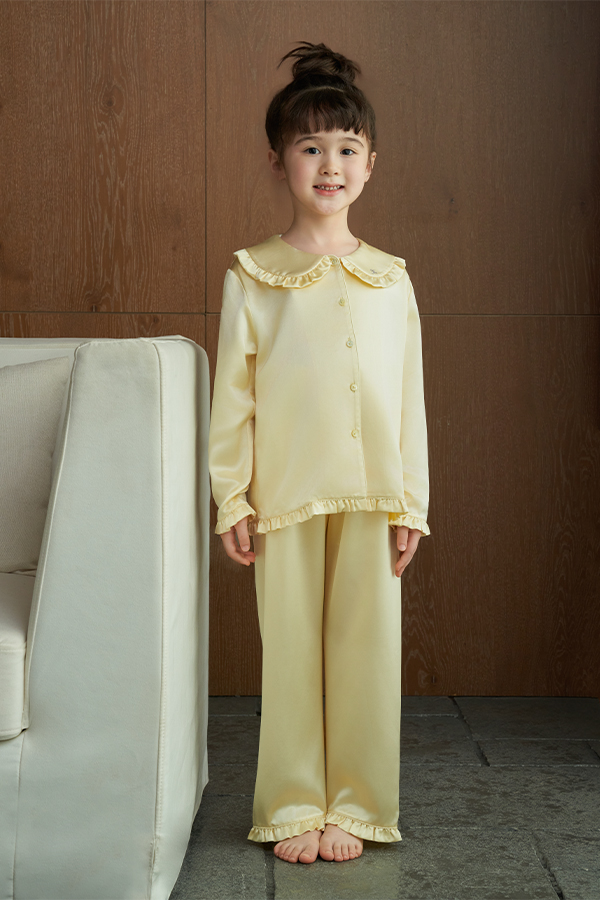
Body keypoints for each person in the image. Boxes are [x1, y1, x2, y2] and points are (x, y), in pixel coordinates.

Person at [207, 40, 430, 865]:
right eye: (310, 148)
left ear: (370, 164)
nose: (329, 165)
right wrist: (232, 495)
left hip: (375, 498)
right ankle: (293, 804)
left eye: (345, 148)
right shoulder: (252, 276)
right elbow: (233, 400)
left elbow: (408, 401)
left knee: (367, 656)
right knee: (293, 656)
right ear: (279, 162)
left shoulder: (392, 279)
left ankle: (360, 807)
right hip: (286, 497)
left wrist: (413, 503)